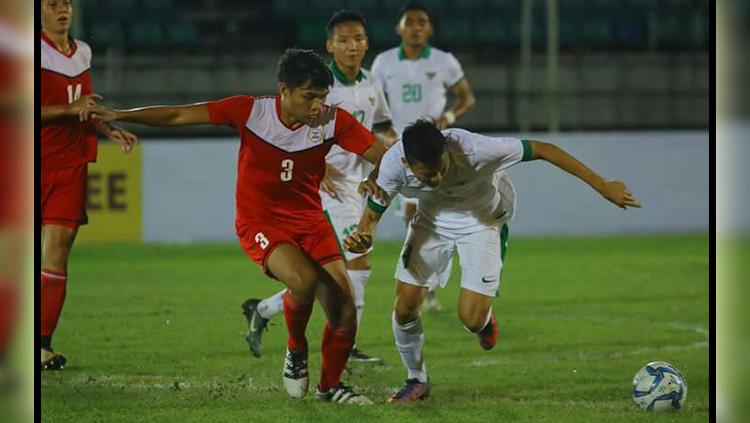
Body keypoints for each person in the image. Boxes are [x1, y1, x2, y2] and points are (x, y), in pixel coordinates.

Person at [81, 48, 388, 404]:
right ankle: (296, 351)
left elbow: (383, 154)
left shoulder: (333, 121)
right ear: (283, 90)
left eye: (322, 97)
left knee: (345, 308)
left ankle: (330, 388)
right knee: (303, 281)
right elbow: (180, 114)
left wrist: (376, 175)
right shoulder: (251, 111)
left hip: (309, 220)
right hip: (260, 221)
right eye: (309, 97)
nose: (317, 106)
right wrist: (120, 114)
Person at [344, 119, 641, 403]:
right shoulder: (394, 165)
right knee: (405, 306)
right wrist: (364, 234)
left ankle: (484, 322)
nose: (436, 179)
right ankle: (417, 379)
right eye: (427, 175)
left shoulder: (474, 149)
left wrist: (602, 184)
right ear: (408, 164)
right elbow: (371, 216)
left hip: (482, 221)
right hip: (432, 222)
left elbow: (543, 149)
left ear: (446, 151)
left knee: (471, 319)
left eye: (441, 169)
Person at [240, 10, 398, 365]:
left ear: (366, 42)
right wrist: (317, 164)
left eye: (358, 39)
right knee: (357, 261)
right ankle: (348, 339)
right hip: (327, 189)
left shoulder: (371, 82)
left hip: (361, 184)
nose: (352, 46)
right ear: (330, 45)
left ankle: (263, 309)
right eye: (343, 40)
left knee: (330, 273)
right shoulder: (320, 86)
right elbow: (292, 127)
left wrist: (390, 143)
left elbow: (383, 124)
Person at [40, 0, 138, 371]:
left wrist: (106, 128)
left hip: (71, 165)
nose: (62, 9)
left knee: (57, 254)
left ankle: (42, 345)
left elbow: (81, 107)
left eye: (66, 2)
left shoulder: (82, 52)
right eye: (52, 3)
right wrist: (70, 110)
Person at [371, 2, 476, 312]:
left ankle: (424, 283)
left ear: (429, 29)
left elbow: (466, 98)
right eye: (410, 22)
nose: (416, 27)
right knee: (414, 215)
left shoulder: (445, 61)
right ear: (399, 28)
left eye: (422, 22)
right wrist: (385, 133)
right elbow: (374, 102)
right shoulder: (383, 62)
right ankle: (422, 286)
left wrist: (448, 117)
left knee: (432, 216)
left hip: (437, 149)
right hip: (401, 151)